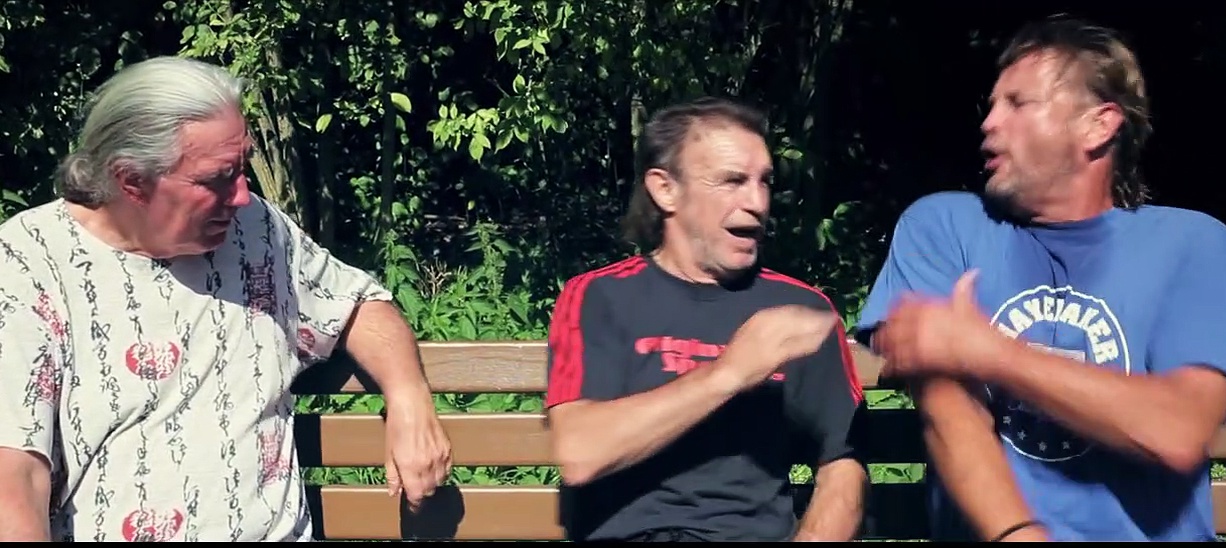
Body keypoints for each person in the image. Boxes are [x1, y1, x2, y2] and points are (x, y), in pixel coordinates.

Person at [0, 56, 452, 542]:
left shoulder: (256, 230)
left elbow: (357, 305)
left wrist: (409, 397)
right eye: (215, 178)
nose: (240, 195)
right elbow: (14, 479)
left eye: (242, 168)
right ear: (132, 180)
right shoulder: (31, 263)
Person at [855, 16, 1226, 543]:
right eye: (992, 104)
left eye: (1018, 104)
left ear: (1099, 125)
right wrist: (1019, 535)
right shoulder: (944, 227)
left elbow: (1177, 428)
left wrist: (987, 351)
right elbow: (948, 411)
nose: (989, 122)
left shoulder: (1192, 246)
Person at [543, 97, 869, 542]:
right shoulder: (600, 297)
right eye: (732, 181)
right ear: (665, 190)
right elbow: (579, 452)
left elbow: (843, 465)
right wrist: (728, 374)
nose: (757, 202)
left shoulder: (799, 311)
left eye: (764, 181)